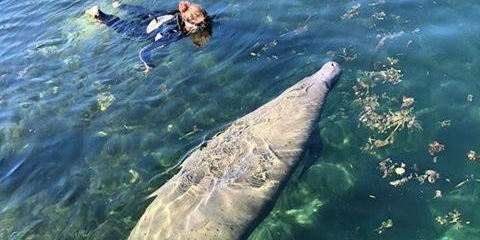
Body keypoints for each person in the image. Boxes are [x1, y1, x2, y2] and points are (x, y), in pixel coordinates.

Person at [85, 1, 211, 71]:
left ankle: (120, 5)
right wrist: (149, 66)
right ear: (190, 22)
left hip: (160, 18)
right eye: (201, 23)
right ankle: (98, 15)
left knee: (145, 13)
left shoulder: (180, 14)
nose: (205, 23)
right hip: (147, 31)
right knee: (121, 26)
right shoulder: (174, 34)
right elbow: (144, 52)